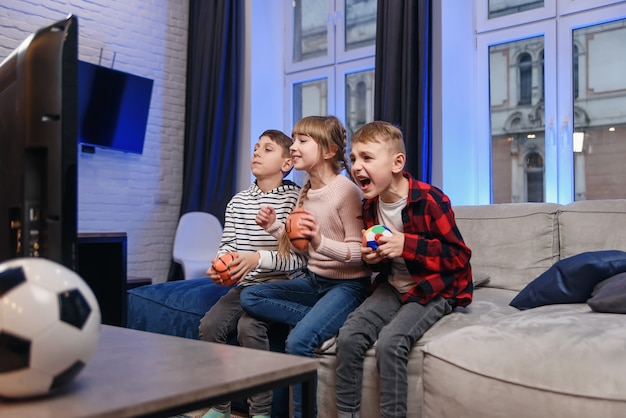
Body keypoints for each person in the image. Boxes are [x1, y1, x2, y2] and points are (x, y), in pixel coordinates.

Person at [335, 121, 473, 418]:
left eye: (367, 158)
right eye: (354, 158)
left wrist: (406, 245)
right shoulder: (371, 205)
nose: (357, 166)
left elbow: (459, 256)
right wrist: (372, 259)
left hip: (432, 287)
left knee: (391, 343)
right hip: (392, 284)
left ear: (397, 162)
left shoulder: (430, 199)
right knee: (348, 338)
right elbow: (382, 259)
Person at [240, 115, 371, 418]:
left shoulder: (346, 191)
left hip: (349, 286)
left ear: (328, 151)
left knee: (298, 341)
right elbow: (302, 247)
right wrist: (275, 227)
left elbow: (360, 254)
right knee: (251, 297)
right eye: (294, 139)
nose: (294, 147)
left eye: (302, 141)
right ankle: (321, 319)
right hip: (315, 282)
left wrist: (320, 240)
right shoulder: (307, 191)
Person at [199, 129, 307, 418]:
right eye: (256, 147)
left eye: (268, 149)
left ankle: (260, 412)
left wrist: (257, 260)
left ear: (287, 164)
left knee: (249, 328)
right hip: (245, 286)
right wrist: (220, 264)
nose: (257, 152)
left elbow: (297, 260)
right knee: (209, 326)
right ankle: (219, 407)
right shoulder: (237, 201)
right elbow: (228, 246)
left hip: (279, 286)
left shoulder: (295, 200)